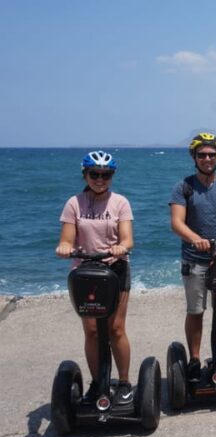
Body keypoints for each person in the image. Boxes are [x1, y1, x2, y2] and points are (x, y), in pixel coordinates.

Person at [56, 151, 134, 405]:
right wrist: (65, 248)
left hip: (115, 270)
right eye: (95, 174)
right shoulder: (74, 203)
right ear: (85, 174)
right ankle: (97, 383)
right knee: (91, 330)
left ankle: (123, 382)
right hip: (86, 272)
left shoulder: (120, 202)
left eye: (106, 175)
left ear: (112, 176)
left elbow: (127, 238)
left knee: (115, 328)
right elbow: (66, 240)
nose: (100, 179)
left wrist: (121, 247)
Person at [169, 133, 216, 382]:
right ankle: (193, 360)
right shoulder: (184, 187)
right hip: (194, 260)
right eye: (202, 155)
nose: (207, 159)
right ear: (194, 157)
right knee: (196, 311)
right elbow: (177, 223)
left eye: (212, 154)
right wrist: (195, 239)